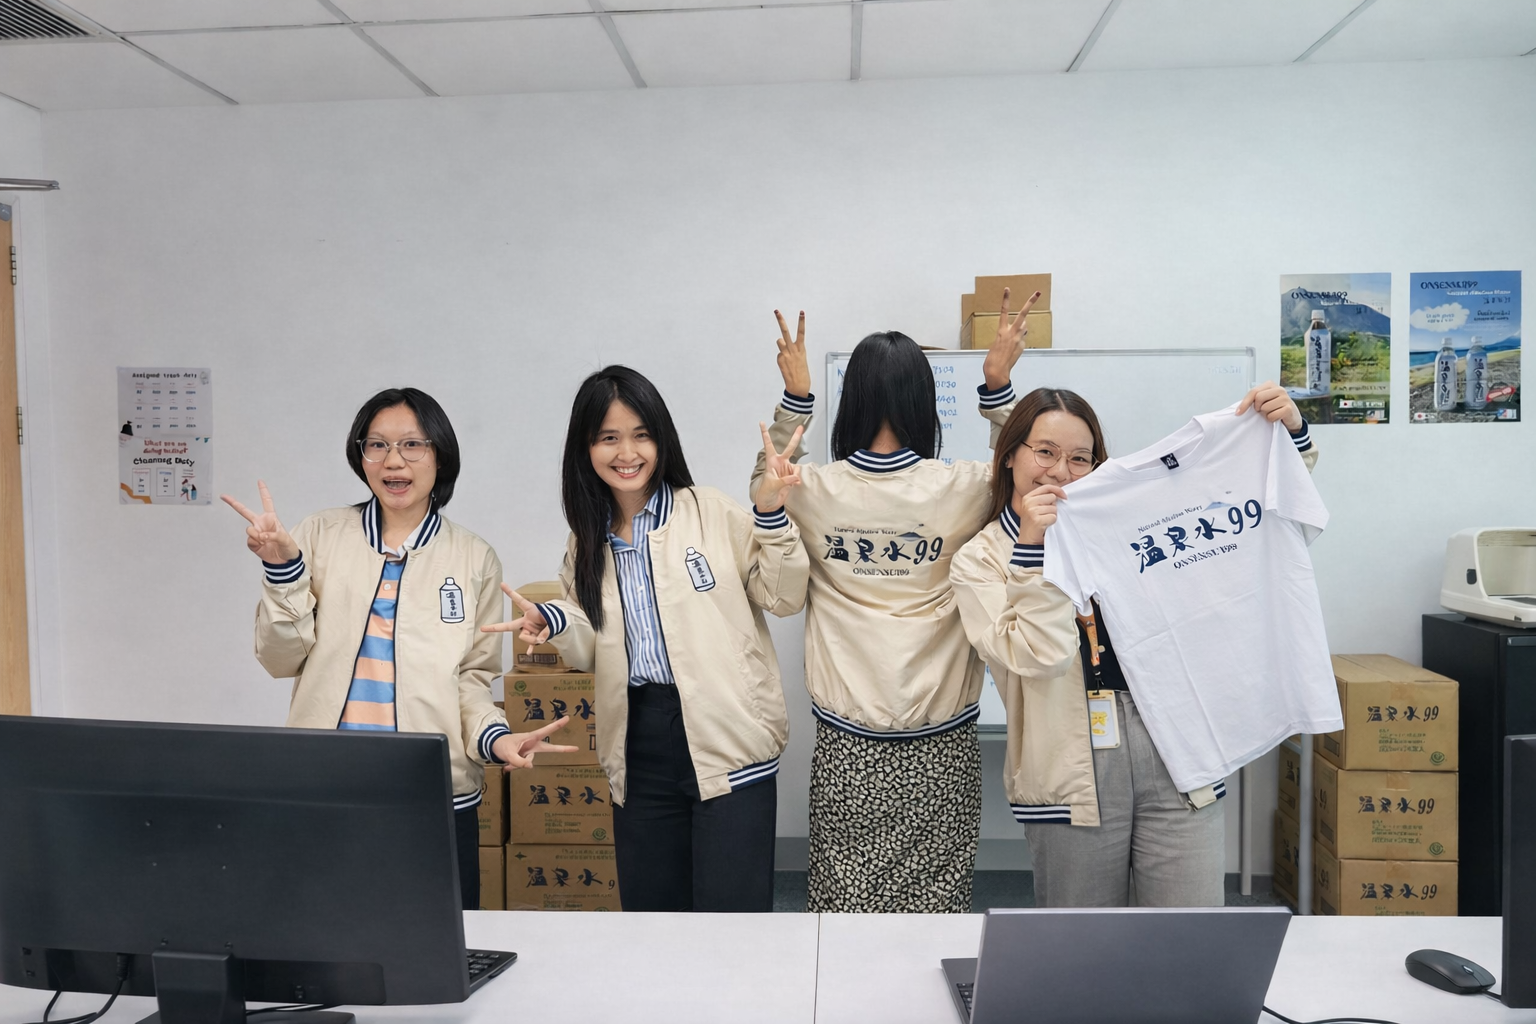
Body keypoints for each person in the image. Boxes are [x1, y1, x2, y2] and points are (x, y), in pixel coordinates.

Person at [949, 380, 1319, 907]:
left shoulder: (1128, 517)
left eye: (1080, 459)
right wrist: (1032, 547)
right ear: (1010, 455)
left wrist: (1291, 433)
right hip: (1071, 762)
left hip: (1175, 737)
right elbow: (1037, 655)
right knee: (1083, 941)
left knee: (1189, 932)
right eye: (1045, 452)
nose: (1060, 471)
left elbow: (1250, 503)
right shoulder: (981, 559)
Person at [221, 387, 574, 910]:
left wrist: (495, 739)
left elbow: (471, 679)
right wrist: (283, 570)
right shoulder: (318, 534)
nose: (393, 461)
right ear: (360, 455)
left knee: (435, 943)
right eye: (377, 445)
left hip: (432, 793)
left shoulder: (473, 557)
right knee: (320, 934)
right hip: (324, 787)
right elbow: (280, 659)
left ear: (440, 455)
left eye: (412, 444)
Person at [751, 293, 1037, 913]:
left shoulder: (813, 489)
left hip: (847, 746)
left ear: (851, 401)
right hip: (942, 742)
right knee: (935, 904)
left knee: (844, 904)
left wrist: (796, 398)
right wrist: (997, 386)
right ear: (922, 403)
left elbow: (765, 484)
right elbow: (1029, 473)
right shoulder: (964, 486)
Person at [486, 365, 810, 912]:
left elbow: (783, 597)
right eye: (608, 438)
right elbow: (594, 647)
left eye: (640, 435)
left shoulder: (709, 512)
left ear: (661, 439)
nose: (626, 453)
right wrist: (556, 622)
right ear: (585, 448)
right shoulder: (586, 541)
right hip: (638, 742)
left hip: (728, 734)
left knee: (735, 923)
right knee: (653, 921)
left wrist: (772, 513)